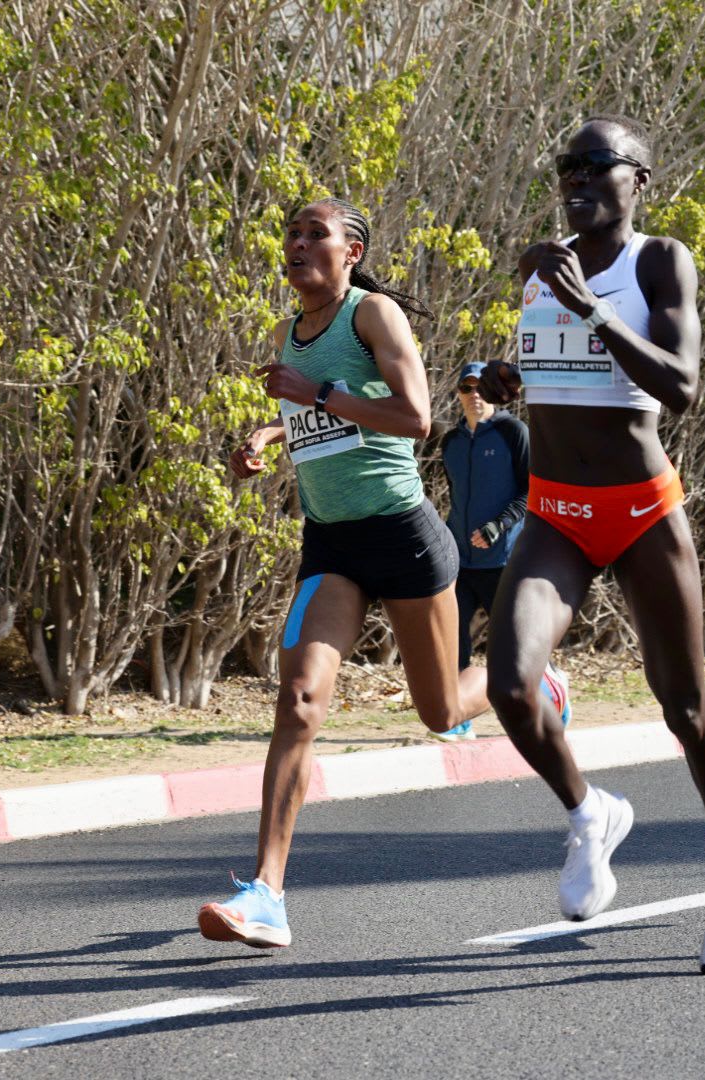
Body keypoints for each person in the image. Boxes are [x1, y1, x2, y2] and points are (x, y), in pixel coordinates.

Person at [478, 115, 705, 975]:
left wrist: (590, 307)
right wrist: (510, 379)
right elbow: (557, 367)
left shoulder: (658, 262)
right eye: (567, 164)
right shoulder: (540, 266)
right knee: (510, 685)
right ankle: (590, 811)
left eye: (597, 164)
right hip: (557, 511)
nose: (577, 176)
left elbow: (680, 386)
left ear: (640, 179)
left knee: (684, 707)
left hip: (641, 509)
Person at [197, 197, 492, 950]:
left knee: (440, 710)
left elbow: (416, 416)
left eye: (315, 235)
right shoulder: (289, 332)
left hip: (402, 535)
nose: (297, 245)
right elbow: (318, 421)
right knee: (297, 702)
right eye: (291, 234)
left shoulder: (374, 316)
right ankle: (266, 893)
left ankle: (528, 674)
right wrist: (266, 433)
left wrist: (312, 394)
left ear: (352, 251)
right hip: (330, 544)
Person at [435, 363, 572, 742]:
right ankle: (457, 718)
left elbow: (532, 491)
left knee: (517, 644)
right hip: (460, 561)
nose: (474, 394)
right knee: (451, 639)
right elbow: (456, 498)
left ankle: (554, 694)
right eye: (467, 387)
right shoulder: (451, 443)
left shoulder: (514, 432)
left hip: (505, 561)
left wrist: (498, 526)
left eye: (482, 387)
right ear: (458, 393)